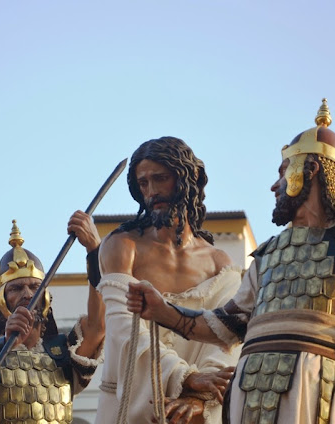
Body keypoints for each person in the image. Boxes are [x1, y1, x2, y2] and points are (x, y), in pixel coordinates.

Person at [126, 41, 335, 424]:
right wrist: (163, 311)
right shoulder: (267, 256)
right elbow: (223, 325)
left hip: (319, 393)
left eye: (282, 173)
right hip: (254, 396)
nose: (274, 185)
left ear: (309, 170)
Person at [96, 136, 242, 424]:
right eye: (143, 183)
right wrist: (186, 378)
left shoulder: (219, 264)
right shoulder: (122, 246)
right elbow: (124, 329)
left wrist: (198, 397)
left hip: (196, 411)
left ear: (187, 178)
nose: (151, 191)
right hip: (130, 411)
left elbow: (227, 340)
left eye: (160, 179)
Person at [0, 218, 105, 424]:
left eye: (35, 287)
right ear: (2, 302)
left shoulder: (63, 352)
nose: (27, 294)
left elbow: (97, 327)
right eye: (16, 288)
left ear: (45, 296)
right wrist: (7, 343)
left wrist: (94, 251)